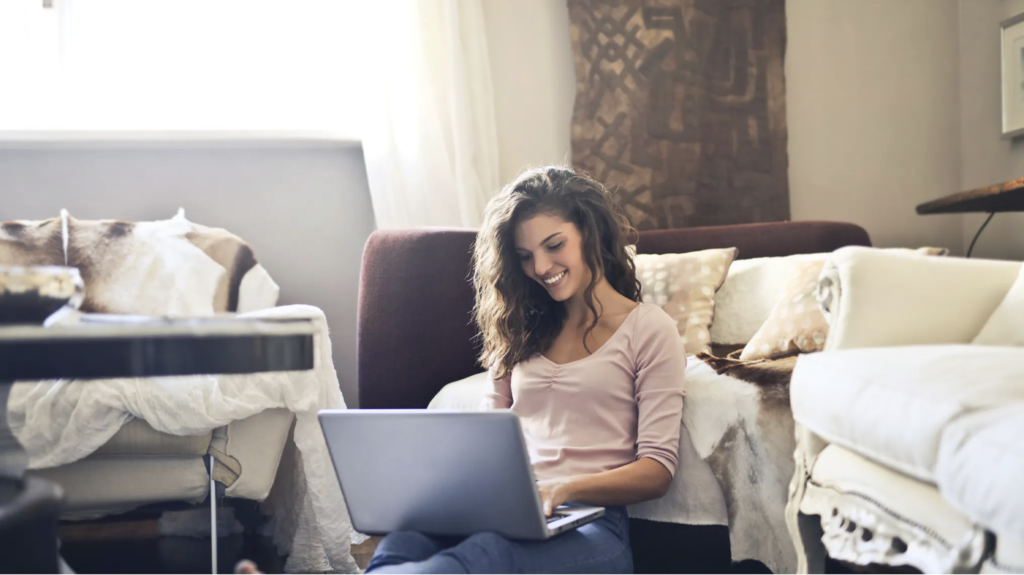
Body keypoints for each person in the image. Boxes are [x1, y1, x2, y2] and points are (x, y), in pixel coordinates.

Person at [366, 166, 686, 574]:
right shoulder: (520, 328)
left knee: (480, 557)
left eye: (554, 245)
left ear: (590, 231)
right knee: (405, 538)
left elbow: (657, 471)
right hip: (505, 512)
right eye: (525, 256)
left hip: (592, 528)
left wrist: (561, 488)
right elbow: (487, 441)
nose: (540, 267)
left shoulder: (648, 328)